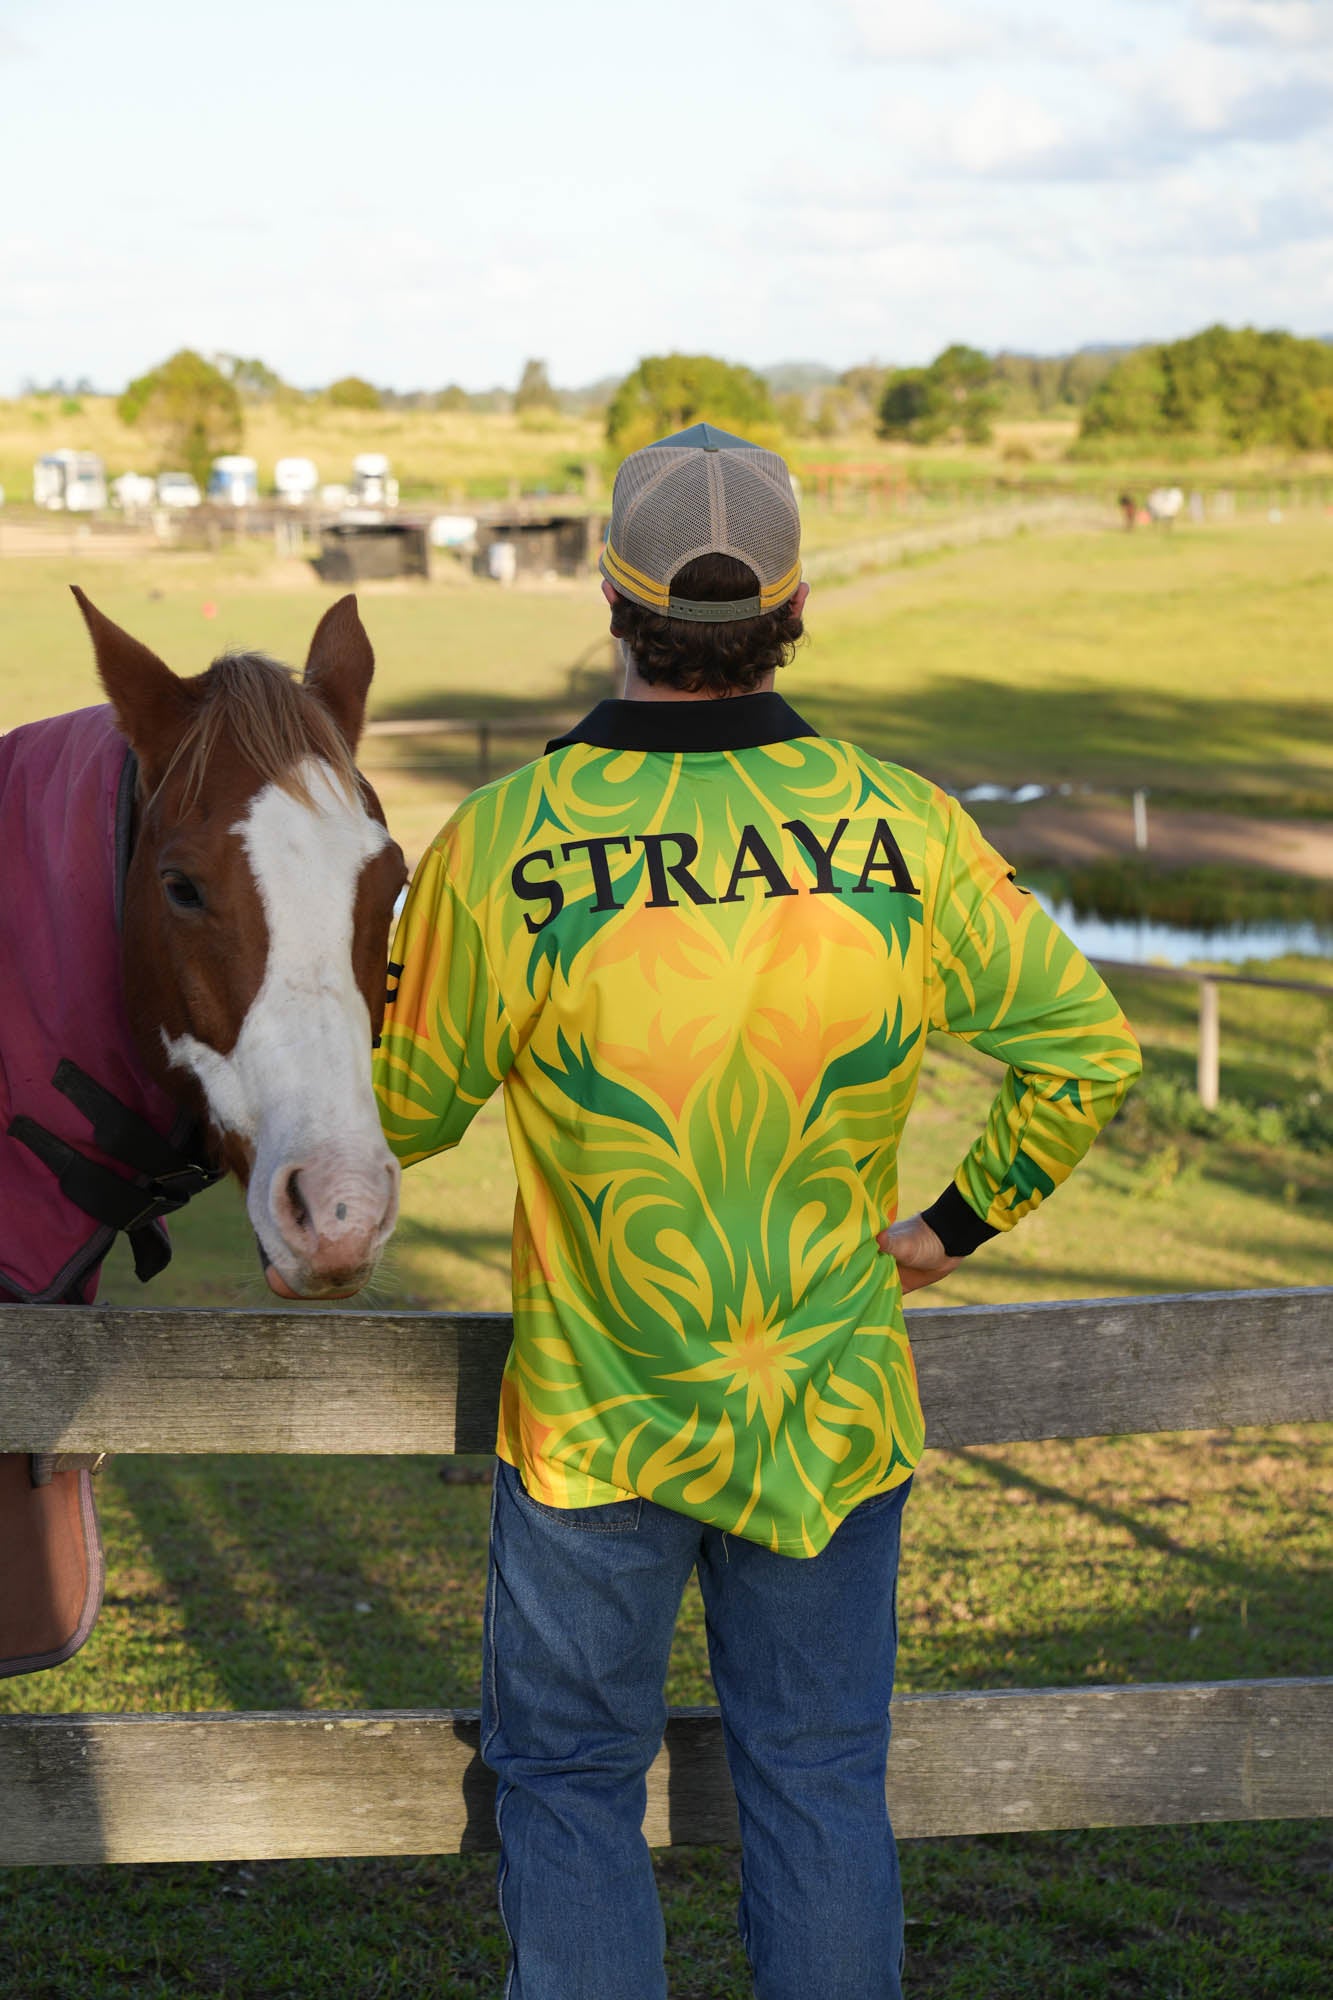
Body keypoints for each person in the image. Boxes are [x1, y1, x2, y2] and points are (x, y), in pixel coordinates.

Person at [374, 423, 1142, 2000]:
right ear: (790, 605)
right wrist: (951, 1225)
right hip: (829, 1408)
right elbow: (1084, 1049)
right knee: (813, 1785)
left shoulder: (502, 841)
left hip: (597, 1423)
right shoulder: (903, 826)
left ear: (612, 594)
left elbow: (404, 1110)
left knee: (571, 1784)